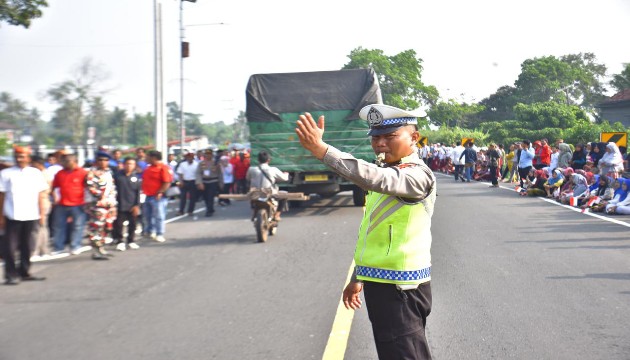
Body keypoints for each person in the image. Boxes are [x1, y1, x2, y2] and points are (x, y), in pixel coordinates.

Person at [296, 104, 436, 360]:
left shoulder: (417, 175)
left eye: (390, 136)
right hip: (382, 282)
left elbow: (377, 178)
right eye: (375, 137)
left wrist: (322, 150)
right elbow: (375, 235)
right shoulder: (391, 170)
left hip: (401, 286)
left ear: (414, 138)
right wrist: (359, 275)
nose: (380, 143)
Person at [0, 146, 48, 285]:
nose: (19, 159)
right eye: (17, 156)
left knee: (28, 245)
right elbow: (1, 196)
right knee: (10, 247)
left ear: (28, 157)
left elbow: (40, 194)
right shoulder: (6, 174)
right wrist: (1, 216)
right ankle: (11, 275)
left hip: (31, 214)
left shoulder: (35, 173)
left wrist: (42, 213)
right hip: (11, 215)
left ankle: (25, 272)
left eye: (22, 156)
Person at [52, 154, 88, 254]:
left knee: (78, 226)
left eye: (66, 161)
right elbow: (54, 187)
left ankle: (75, 246)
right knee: (59, 226)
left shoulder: (83, 173)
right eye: (63, 161)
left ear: (73, 161)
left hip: (78, 203)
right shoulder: (60, 173)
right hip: (62, 203)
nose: (64, 163)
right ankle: (59, 247)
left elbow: (89, 187)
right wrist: (55, 197)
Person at [85, 152, 118, 260]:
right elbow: (92, 188)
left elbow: (112, 188)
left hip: (110, 204)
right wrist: (101, 197)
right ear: (96, 161)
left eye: (105, 160)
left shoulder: (109, 172)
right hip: (98, 205)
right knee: (96, 228)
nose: (103, 162)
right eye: (101, 160)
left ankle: (102, 248)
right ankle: (96, 251)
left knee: (107, 227)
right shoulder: (92, 173)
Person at [246, 151, 289, 221]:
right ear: (268, 160)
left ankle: (254, 213)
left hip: (254, 193)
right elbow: (285, 178)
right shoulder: (273, 169)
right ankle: (277, 215)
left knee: (252, 200)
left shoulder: (251, 169)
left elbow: (247, 178)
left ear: (258, 160)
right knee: (285, 194)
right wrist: (286, 174)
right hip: (269, 193)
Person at [142, 150, 173, 243]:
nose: (145, 158)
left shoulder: (163, 168)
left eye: (147, 157)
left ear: (153, 158)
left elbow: (167, 182)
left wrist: (160, 192)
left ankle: (159, 233)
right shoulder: (148, 168)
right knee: (148, 215)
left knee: (159, 216)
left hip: (158, 197)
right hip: (147, 195)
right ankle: (150, 231)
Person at [113, 157, 142, 251]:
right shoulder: (117, 176)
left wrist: (137, 205)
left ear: (134, 166)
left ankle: (131, 241)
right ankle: (120, 241)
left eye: (132, 164)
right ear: (124, 164)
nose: (129, 166)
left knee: (132, 224)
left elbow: (138, 192)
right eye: (128, 163)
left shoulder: (136, 177)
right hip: (119, 204)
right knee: (118, 224)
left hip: (132, 205)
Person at [30, 155, 52, 259]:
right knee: (42, 228)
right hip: (42, 202)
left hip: (41, 202)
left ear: (38, 164)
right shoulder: (44, 173)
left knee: (37, 228)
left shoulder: (42, 175)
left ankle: (36, 250)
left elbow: (41, 192)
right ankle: (43, 250)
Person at [195, 148, 223, 217]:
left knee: (210, 196)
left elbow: (220, 173)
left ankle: (209, 210)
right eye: (207, 154)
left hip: (213, 181)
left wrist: (221, 183)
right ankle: (210, 208)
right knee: (205, 197)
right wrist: (199, 183)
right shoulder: (201, 163)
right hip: (204, 182)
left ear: (212, 155)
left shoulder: (216, 163)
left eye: (209, 154)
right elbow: (198, 173)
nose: (208, 156)